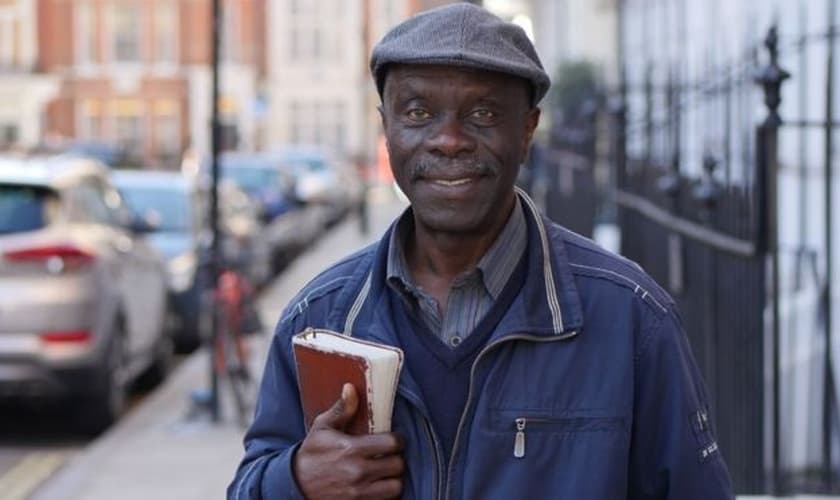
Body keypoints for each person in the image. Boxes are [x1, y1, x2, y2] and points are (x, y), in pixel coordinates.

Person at [228, 4, 734, 499]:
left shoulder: (631, 321)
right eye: (419, 112)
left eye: (483, 113)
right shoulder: (320, 316)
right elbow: (250, 483)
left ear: (528, 129)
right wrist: (294, 481)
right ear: (386, 126)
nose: (448, 140)